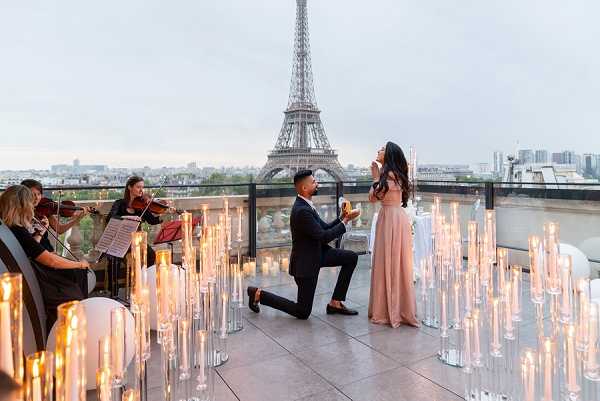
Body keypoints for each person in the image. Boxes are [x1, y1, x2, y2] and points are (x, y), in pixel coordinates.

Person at [247, 170, 361, 319]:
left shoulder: (306, 205)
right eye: (314, 182)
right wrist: (345, 223)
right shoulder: (302, 211)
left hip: (318, 254)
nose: (317, 183)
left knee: (351, 257)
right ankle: (258, 294)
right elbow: (323, 237)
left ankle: (335, 302)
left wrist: (341, 218)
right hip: (306, 263)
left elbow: (324, 228)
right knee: (302, 312)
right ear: (304, 188)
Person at [0, 185, 89, 331]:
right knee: (76, 272)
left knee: (71, 269)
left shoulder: (10, 227)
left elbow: (28, 250)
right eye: (30, 202)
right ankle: (75, 324)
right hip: (34, 278)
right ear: (22, 206)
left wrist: (40, 234)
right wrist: (80, 264)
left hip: (27, 271)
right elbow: (50, 260)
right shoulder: (18, 230)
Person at [368, 142, 419, 328]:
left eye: (381, 149)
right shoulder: (394, 175)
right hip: (396, 217)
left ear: (388, 155)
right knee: (398, 263)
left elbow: (374, 197)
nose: (378, 150)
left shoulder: (387, 176)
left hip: (390, 218)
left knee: (387, 261)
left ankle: (389, 310)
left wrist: (374, 176)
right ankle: (399, 306)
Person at [20, 179, 90, 295]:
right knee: (76, 272)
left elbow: (59, 230)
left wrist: (77, 219)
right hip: (40, 257)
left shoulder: (44, 211)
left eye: (39, 194)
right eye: (32, 194)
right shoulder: (21, 218)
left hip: (48, 252)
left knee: (78, 271)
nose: (37, 198)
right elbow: (30, 246)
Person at [108, 176, 162, 267]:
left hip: (137, 240)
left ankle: (142, 277)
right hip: (122, 240)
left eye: (142, 187)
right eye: (138, 187)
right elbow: (111, 217)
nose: (141, 190)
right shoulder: (119, 203)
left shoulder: (142, 205)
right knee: (117, 256)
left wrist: (162, 213)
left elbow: (152, 221)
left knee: (152, 256)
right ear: (129, 187)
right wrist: (128, 217)